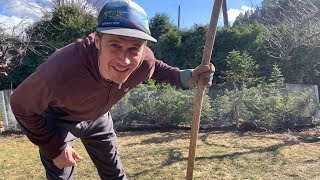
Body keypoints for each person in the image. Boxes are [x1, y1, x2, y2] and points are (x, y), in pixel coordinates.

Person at [10, 0, 215, 179]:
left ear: (144, 48)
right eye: (115, 45)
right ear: (98, 41)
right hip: (60, 119)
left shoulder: (144, 61)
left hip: (99, 119)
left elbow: (156, 68)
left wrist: (186, 77)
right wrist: (55, 148)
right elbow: (20, 104)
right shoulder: (62, 68)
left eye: (134, 48)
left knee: (115, 175)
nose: (124, 60)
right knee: (60, 173)